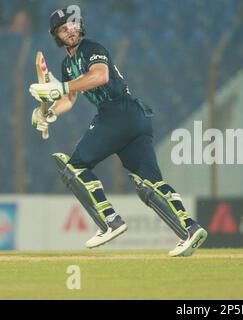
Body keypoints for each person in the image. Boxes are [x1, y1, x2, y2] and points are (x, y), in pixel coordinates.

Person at [29, 6, 207, 257]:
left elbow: (100, 76)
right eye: (62, 28)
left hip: (118, 112)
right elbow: (69, 99)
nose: (69, 30)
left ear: (80, 26)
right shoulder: (67, 65)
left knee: (74, 168)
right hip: (134, 118)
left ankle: (110, 221)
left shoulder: (91, 48)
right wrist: (48, 113)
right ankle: (190, 228)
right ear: (56, 36)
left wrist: (59, 88)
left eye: (72, 24)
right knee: (149, 181)